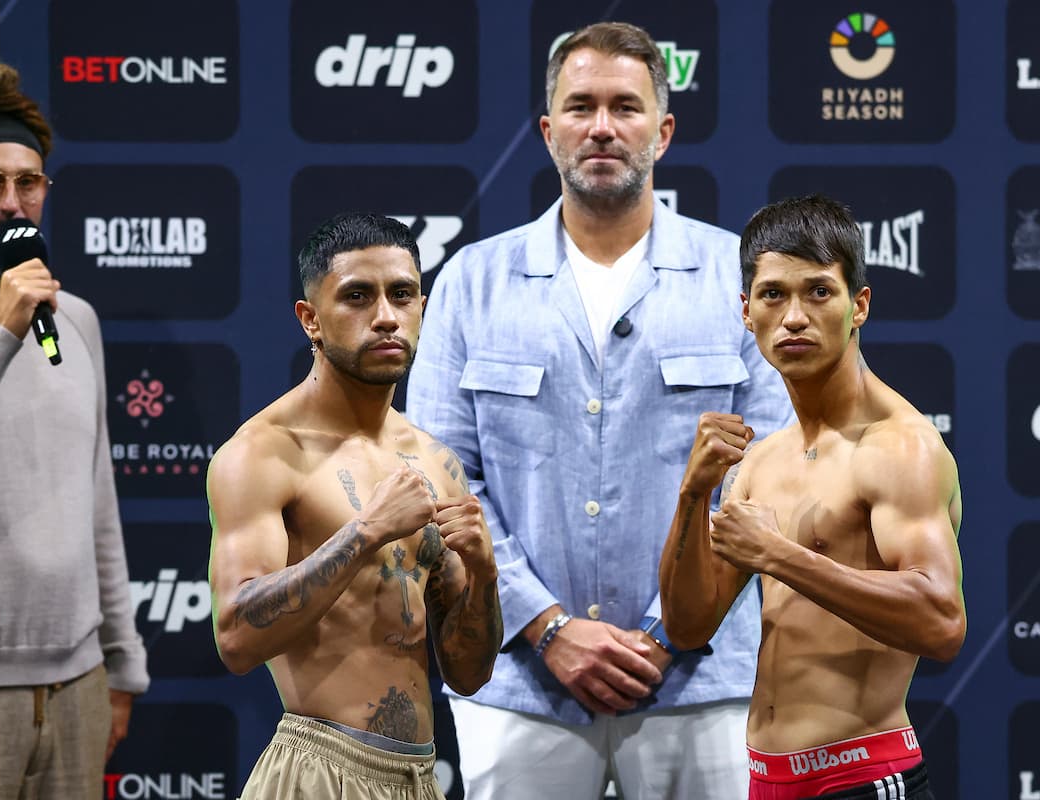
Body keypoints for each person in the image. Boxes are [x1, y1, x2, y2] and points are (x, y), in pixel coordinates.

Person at [406, 21, 794, 800]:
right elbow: (441, 481)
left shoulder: (741, 278)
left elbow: (773, 476)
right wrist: (547, 627)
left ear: (664, 129)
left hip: (702, 680)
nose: (603, 126)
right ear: (549, 131)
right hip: (520, 685)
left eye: (626, 105)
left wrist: (664, 630)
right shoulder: (471, 283)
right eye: (581, 106)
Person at [659, 195, 967, 800]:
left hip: (862, 775)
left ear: (860, 305)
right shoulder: (761, 459)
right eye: (774, 295)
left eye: (819, 291)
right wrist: (693, 496)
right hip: (767, 780)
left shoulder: (900, 447)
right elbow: (689, 626)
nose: (794, 316)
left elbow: (941, 621)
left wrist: (778, 556)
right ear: (747, 312)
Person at [207, 212, 501, 799]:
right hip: (316, 767)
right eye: (358, 297)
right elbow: (236, 636)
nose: (387, 317)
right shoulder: (263, 453)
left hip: (417, 775)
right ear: (310, 319)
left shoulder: (436, 462)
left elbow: (467, 673)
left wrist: (486, 574)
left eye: (403, 294)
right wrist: (365, 531)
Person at [0, 61, 150, 796]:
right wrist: (2, 333)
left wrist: (122, 664)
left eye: (29, 182)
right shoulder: (17, 324)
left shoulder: (74, 320)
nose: (10, 203)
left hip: (80, 680)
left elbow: (98, 502)